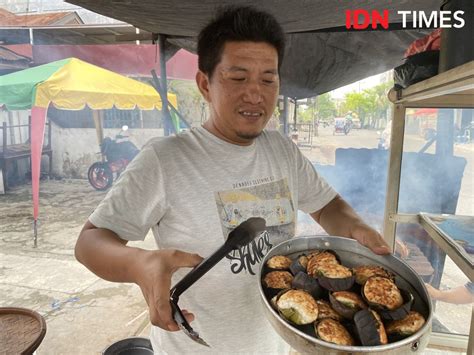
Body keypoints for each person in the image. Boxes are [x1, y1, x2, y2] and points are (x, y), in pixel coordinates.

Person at [75, 6, 390, 354]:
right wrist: (138, 263)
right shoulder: (165, 159)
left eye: (268, 79)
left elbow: (328, 206)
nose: (255, 94)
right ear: (204, 84)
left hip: (275, 344)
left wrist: (355, 226)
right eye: (238, 78)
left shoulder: (282, 150)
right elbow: (90, 242)